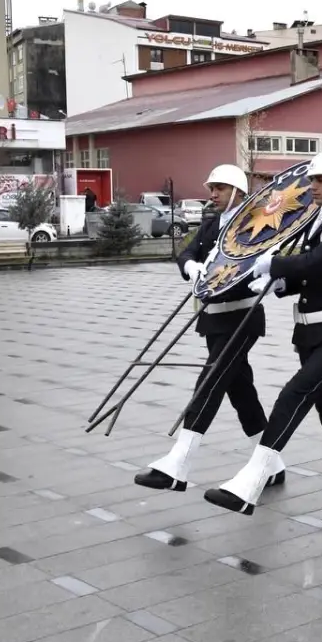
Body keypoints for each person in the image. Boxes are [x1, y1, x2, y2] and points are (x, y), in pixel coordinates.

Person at [204, 151, 322, 526]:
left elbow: (318, 262)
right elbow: (312, 274)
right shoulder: (319, 222)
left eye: (320, 181)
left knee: (293, 394)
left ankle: (251, 479)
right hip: (310, 332)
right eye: (313, 180)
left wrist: (273, 263)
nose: (312, 187)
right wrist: (279, 282)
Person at [134, 165, 283, 493]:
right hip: (214, 319)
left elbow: (254, 271)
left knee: (209, 382)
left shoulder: (255, 226)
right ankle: (272, 464)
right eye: (211, 188)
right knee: (241, 391)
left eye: (219, 188)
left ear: (238, 192)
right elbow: (187, 252)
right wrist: (192, 266)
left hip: (241, 320)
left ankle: (179, 463)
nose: (212, 194)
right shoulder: (212, 224)